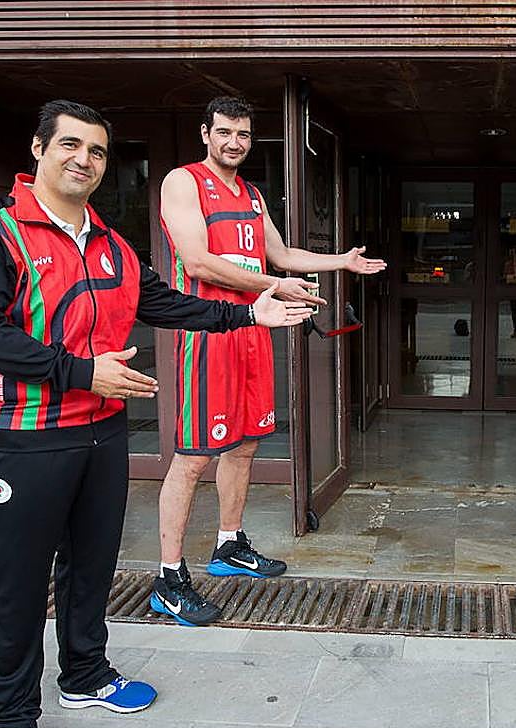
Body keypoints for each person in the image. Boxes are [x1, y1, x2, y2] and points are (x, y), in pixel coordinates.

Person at [0, 99, 312, 728]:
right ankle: (11, 723)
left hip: (100, 430)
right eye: (71, 145)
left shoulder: (110, 241)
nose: (84, 159)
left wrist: (247, 313)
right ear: (39, 149)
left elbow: (162, 301)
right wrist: (82, 373)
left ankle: (84, 674)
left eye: (98, 151)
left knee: (91, 566)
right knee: (14, 585)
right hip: (16, 438)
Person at [150, 95, 386, 627]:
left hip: (255, 331)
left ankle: (228, 544)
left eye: (243, 134)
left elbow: (279, 255)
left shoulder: (253, 195)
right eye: (224, 132)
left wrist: (341, 261)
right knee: (194, 458)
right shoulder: (183, 182)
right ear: (206, 133)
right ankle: (168, 577)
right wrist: (274, 286)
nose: (234, 142)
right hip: (207, 335)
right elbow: (197, 262)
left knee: (246, 445)